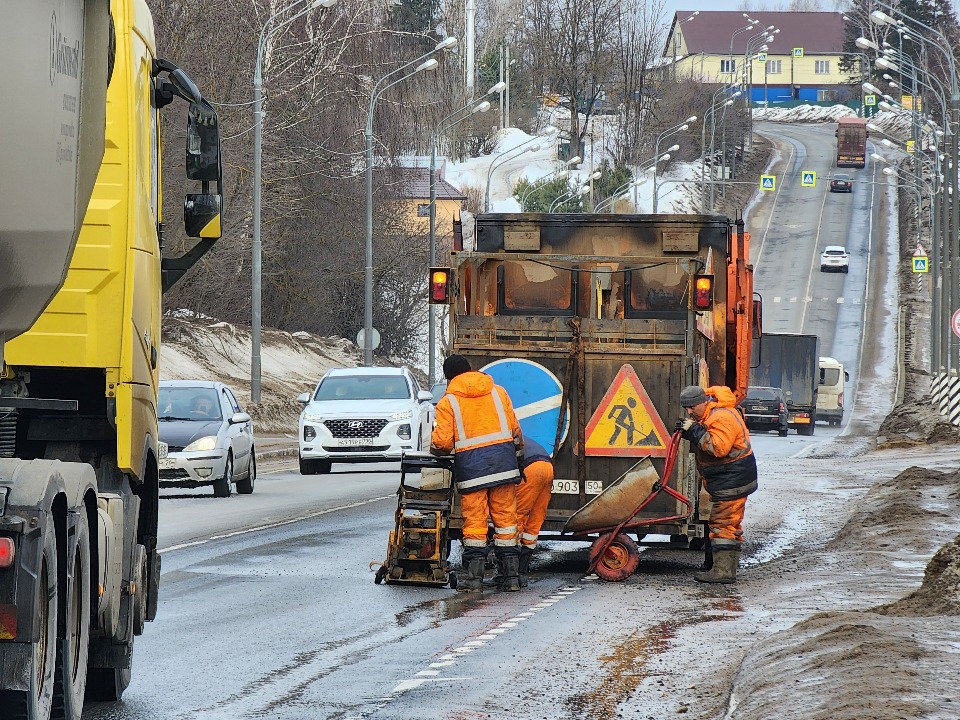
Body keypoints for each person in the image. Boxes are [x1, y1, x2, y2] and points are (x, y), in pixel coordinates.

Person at [431, 354, 524, 593]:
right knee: (506, 523)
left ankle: (474, 582)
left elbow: (442, 443)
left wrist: (435, 448)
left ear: (449, 378)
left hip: (473, 471)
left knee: (475, 525)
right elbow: (515, 430)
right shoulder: (498, 392)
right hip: (504, 465)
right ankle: (511, 578)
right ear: (471, 370)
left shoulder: (448, 402)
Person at [678, 385, 758, 584]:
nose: (689, 412)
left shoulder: (720, 417)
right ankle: (727, 568)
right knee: (730, 525)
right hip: (731, 480)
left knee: (722, 525)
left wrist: (694, 431)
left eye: (692, 408)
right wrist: (692, 431)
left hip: (732, 481)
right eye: (686, 408)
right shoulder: (711, 415)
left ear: (705, 401)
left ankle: (723, 572)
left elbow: (718, 448)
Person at [515, 437, 554, 587]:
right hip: (547, 467)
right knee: (534, 521)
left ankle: (511, 573)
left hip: (530, 468)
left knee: (517, 517)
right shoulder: (520, 438)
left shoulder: (499, 440)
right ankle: (521, 573)